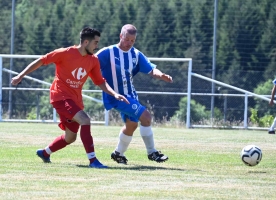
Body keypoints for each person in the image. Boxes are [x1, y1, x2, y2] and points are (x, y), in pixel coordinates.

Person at [11, 27, 129, 168]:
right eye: (95, 43)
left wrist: (114, 93)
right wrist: (20, 75)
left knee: (70, 137)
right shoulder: (65, 53)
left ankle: (45, 153)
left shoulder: (93, 60)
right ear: (86, 42)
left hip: (75, 100)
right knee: (85, 120)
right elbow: (41, 60)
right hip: (60, 96)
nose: (97, 46)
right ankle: (93, 161)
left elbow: (100, 81)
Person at [95, 24, 173, 165]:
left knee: (132, 125)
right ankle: (152, 152)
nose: (129, 43)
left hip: (131, 95)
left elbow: (150, 69)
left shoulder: (135, 54)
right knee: (146, 117)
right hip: (116, 96)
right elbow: (90, 64)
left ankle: (118, 153)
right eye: (127, 39)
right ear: (121, 36)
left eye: (132, 40)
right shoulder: (107, 52)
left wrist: (161, 75)